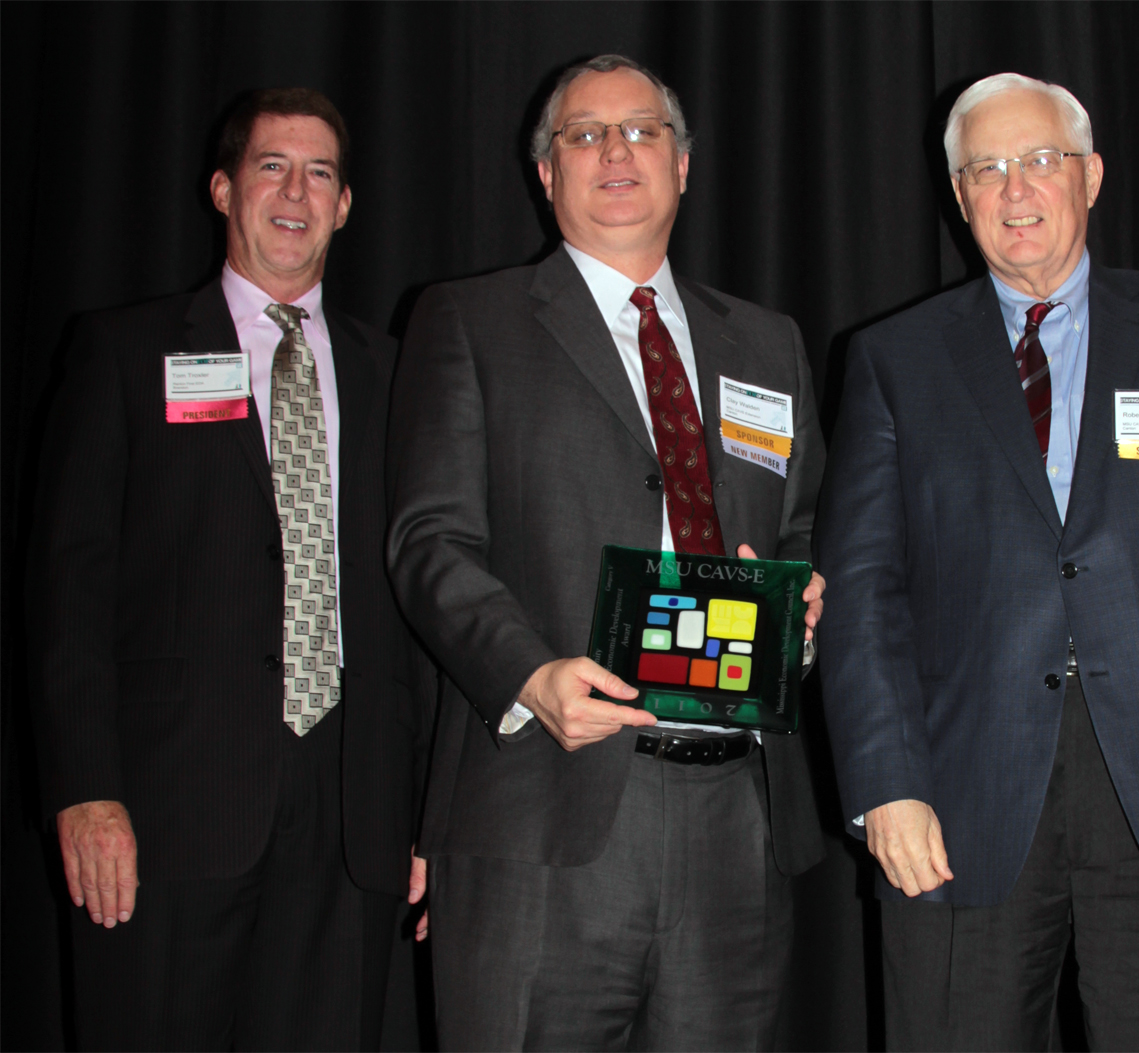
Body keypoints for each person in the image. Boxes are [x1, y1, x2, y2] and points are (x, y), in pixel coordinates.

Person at [816, 72, 1139, 1050]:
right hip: (954, 807)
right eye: (987, 169)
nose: (1017, 190)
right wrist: (884, 780)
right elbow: (863, 595)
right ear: (959, 196)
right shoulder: (895, 359)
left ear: (1091, 176)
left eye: (1041, 161)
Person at [387, 54, 827, 1051]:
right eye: (584, 135)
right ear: (545, 173)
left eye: (642, 131)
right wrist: (528, 674)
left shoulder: (768, 344)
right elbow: (429, 541)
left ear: (684, 165)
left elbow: (803, 525)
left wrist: (803, 603)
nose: (615, 152)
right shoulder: (470, 322)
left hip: (736, 825)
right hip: (547, 813)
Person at [28, 88, 426, 1049]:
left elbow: (426, 596)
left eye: (319, 173)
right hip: (167, 816)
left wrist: (429, 816)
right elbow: (64, 589)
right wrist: (85, 787)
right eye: (270, 166)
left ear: (344, 206)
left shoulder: (404, 374)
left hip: (353, 825)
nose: (295, 191)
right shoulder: (125, 352)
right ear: (222, 189)